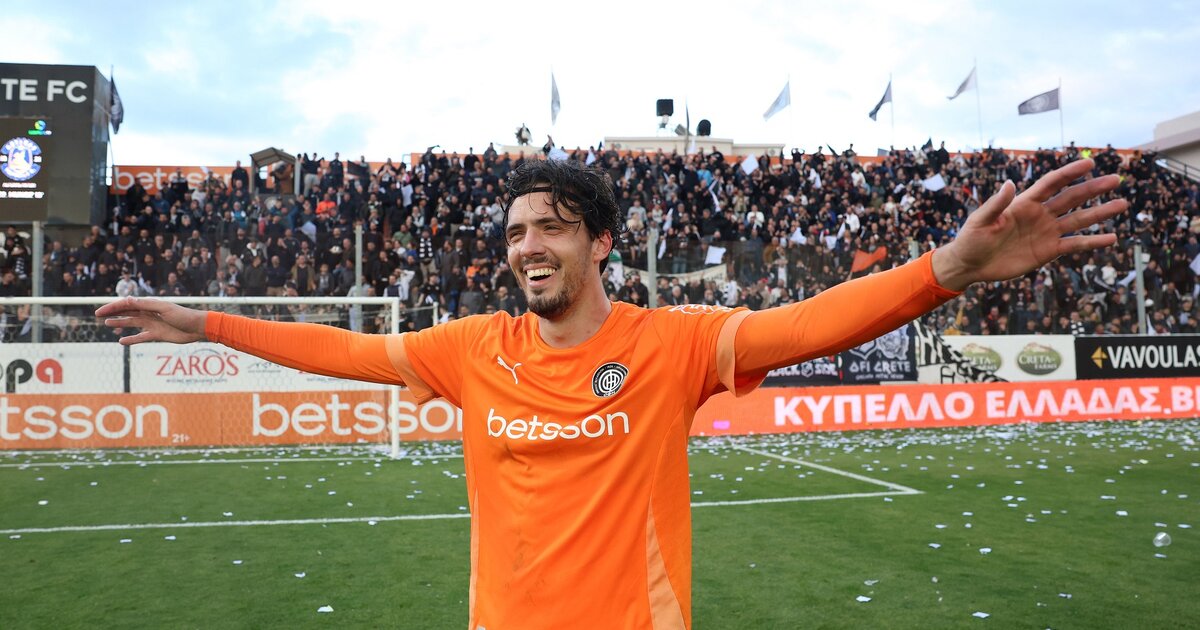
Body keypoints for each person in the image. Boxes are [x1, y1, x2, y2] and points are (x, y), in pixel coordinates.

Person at [97, 157, 1125, 630]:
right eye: (514, 233)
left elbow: (809, 325)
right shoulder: (471, 350)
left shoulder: (671, 343)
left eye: (549, 227)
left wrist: (945, 270)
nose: (526, 247)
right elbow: (341, 349)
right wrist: (206, 323)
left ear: (597, 243)